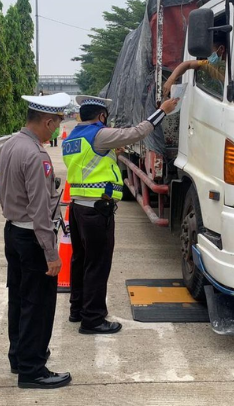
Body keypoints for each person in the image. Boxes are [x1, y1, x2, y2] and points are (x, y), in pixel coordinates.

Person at [62, 95, 178, 334]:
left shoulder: (72, 137)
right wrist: (163, 111)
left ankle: (77, 310)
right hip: (97, 211)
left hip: (77, 209)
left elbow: (92, 162)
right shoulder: (100, 134)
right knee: (97, 265)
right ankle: (92, 319)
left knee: (80, 261)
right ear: (102, 116)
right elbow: (136, 132)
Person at [0, 93, 72, 389]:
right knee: (38, 306)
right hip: (33, 238)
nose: (55, 131)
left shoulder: (10, 144)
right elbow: (41, 211)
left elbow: (0, 190)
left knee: (19, 298)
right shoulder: (37, 156)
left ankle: (19, 357)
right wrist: (51, 254)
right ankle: (33, 370)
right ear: (47, 120)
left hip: (13, 232)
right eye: (55, 125)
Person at [162, 35, 227, 98]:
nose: (208, 56)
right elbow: (188, 64)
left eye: (210, 52)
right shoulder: (209, 64)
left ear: (221, 49)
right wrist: (171, 79)